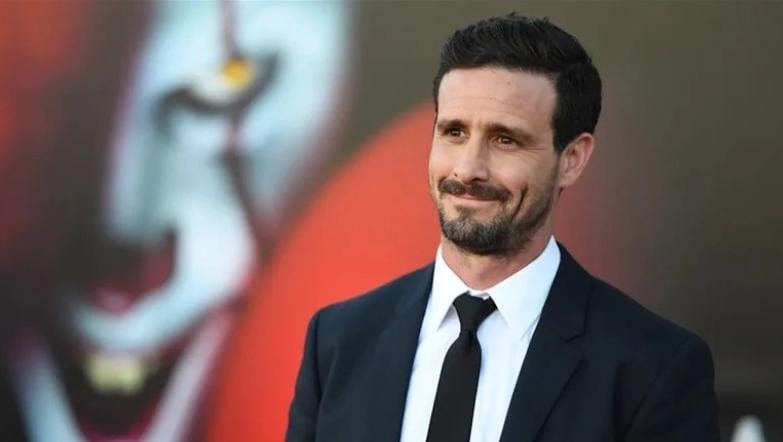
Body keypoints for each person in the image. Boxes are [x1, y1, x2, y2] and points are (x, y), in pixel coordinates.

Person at [287, 14, 719, 442]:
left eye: (505, 140)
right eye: (454, 132)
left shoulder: (653, 368)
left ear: (572, 159)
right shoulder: (340, 340)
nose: (468, 169)